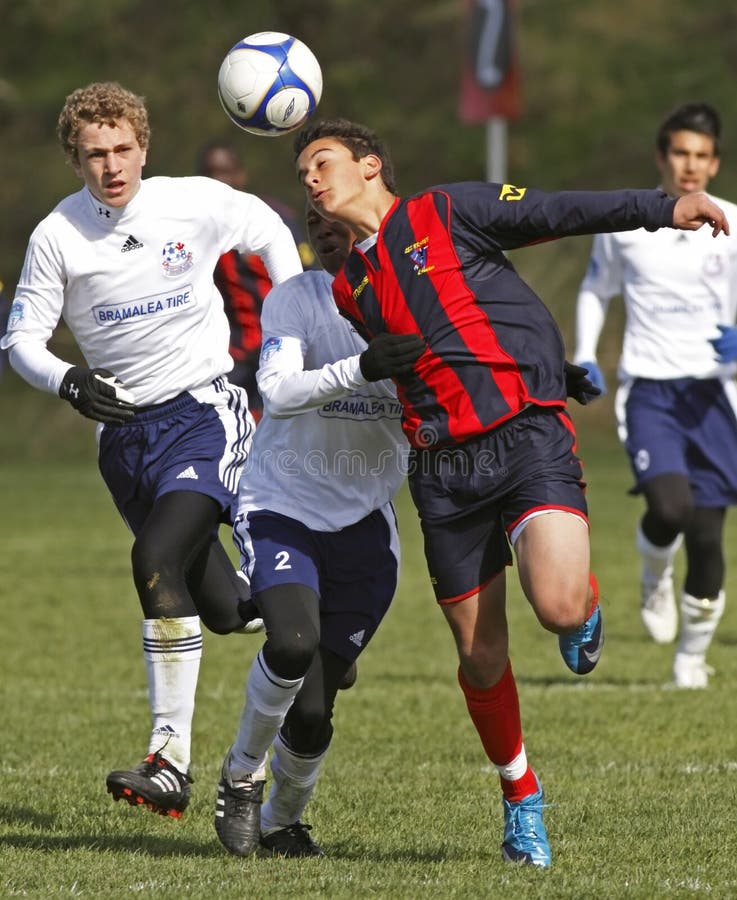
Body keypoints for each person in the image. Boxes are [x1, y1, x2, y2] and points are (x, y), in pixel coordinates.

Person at [292, 117, 729, 867]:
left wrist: (661, 208)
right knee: (481, 657)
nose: (309, 176)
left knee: (557, 606)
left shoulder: (445, 211)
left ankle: (582, 604)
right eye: (301, 169)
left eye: (321, 161)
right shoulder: (348, 287)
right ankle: (520, 796)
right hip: (443, 472)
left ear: (369, 166)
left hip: (525, 434)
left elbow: (557, 211)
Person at [0, 81, 303, 818]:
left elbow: (264, 226)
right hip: (124, 444)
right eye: (96, 153)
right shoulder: (59, 236)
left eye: (124, 149)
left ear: (145, 146)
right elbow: (19, 343)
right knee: (228, 612)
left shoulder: (191, 201)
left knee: (154, 559)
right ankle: (305, 633)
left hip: (203, 413)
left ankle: (169, 759)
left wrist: (291, 319)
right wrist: (71, 383)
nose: (113, 165)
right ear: (75, 158)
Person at [213, 208, 412, 858]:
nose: (323, 225)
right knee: (293, 644)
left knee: (313, 711)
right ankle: (241, 776)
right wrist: (361, 368)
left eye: (337, 214)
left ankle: (282, 821)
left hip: (364, 527)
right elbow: (276, 387)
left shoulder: (416, 302)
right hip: (279, 501)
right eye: (312, 215)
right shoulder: (295, 297)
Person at [573, 102, 737, 689]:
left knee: (708, 537)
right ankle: (652, 572)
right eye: (679, 153)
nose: (689, 166)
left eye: (701, 156)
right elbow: (596, 288)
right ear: (661, 157)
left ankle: (691, 659)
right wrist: (587, 352)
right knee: (669, 507)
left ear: (714, 164)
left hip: (717, 398)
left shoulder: (734, 226)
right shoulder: (630, 226)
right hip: (649, 391)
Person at [195, 139, 316, 420]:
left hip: (278, 347)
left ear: (241, 175)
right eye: (210, 173)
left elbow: (305, 281)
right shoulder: (190, 229)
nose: (218, 181)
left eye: (225, 172)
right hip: (227, 358)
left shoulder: (275, 220)